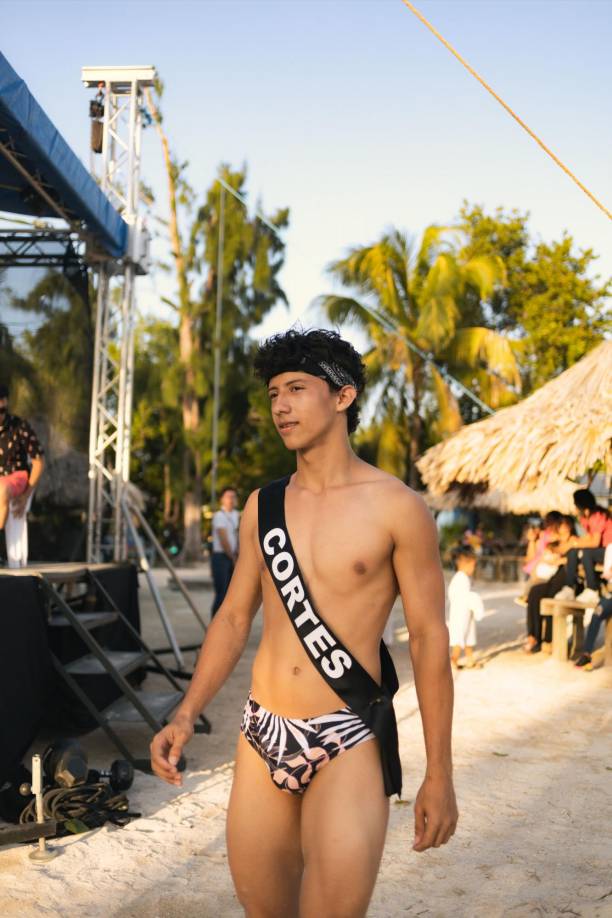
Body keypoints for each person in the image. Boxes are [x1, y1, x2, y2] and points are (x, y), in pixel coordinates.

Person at [150, 328, 458, 917]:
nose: (280, 407)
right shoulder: (262, 507)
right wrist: (186, 712)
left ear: (343, 396)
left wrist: (439, 773)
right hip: (261, 732)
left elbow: (428, 638)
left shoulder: (398, 507)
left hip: (347, 735)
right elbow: (233, 617)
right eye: (273, 394)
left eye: (296, 388)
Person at [523, 515, 576, 653]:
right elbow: (532, 558)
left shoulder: (574, 542)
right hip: (552, 580)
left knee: (550, 597)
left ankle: (548, 639)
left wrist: (559, 559)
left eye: (564, 530)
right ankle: (533, 636)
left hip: (566, 583)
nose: (561, 533)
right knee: (534, 593)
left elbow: (571, 558)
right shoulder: (554, 544)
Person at [0, 383, 45, 533]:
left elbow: (39, 462)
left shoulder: (19, 426)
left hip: (16, 477)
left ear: (5, 403)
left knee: (2, 489)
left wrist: (26, 495)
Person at [555, 489, 612, 606]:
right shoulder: (586, 518)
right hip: (602, 550)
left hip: (609, 551)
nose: (575, 509)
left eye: (576, 506)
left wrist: (573, 543)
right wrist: (574, 543)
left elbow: (595, 542)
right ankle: (569, 587)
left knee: (587, 552)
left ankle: (592, 589)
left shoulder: (598, 516)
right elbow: (588, 538)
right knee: (573, 551)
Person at [575, 544, 612, 671]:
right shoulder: (610, 548)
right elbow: (607, 573)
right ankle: (586, 654)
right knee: (597, 613)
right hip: (610, 593)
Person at [447, 547, 484, 669]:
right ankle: (453, 660)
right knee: (460, 636)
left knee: (468, 636)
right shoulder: (460, 578)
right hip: (460, 613)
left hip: (466, 612)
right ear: (464, 564)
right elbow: (464, 595)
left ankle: (470, 660)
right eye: (473, 566)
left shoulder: (464, 577)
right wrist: (476, 605)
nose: (474, 569)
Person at [210, 486, 240, 618]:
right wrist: (233, 558)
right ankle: (215, 623)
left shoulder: (236, 514)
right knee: (221, 593)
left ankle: (226, 622)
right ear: (222, 499)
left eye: (233, 496)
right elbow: (223, 540)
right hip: (221, 557)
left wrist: (238, 553)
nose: (231, 499)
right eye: (228, 497)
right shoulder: (219, 516)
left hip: (233, 556)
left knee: (231, 593)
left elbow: (238, 535)